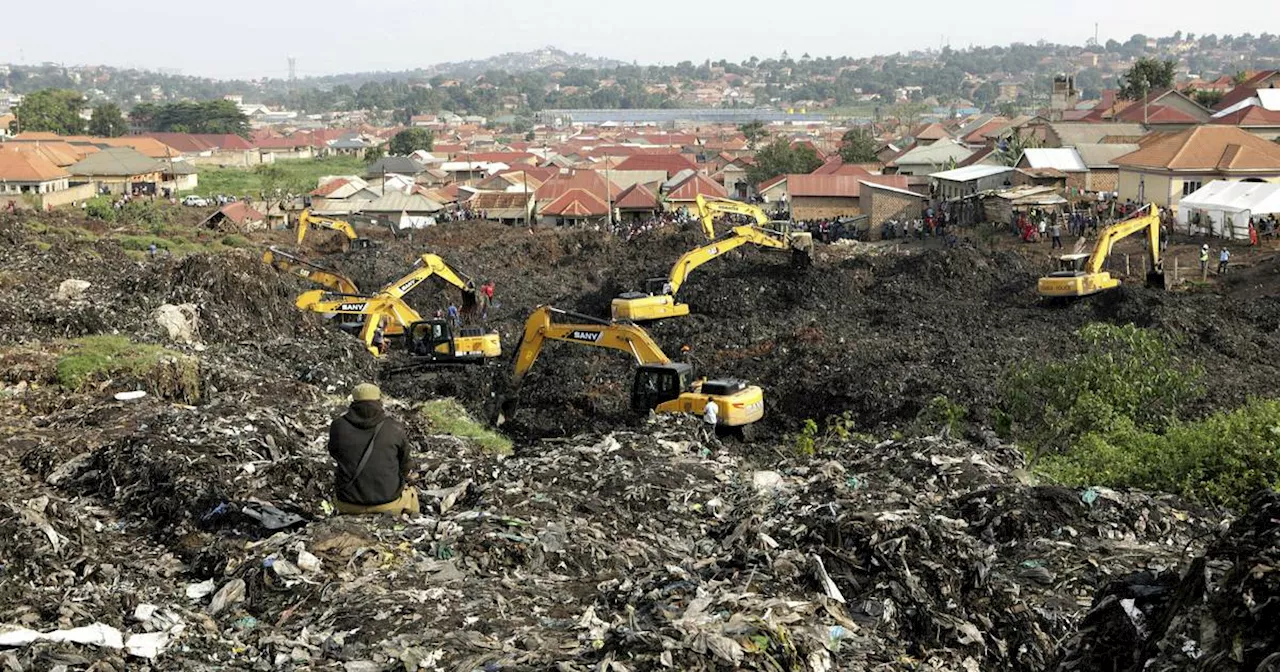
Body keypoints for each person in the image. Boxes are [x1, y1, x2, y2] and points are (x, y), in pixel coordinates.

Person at [328, 383, 419, 516]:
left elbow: (334, 453)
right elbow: (405, 464)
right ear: (379, 401)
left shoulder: (338, 426)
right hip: (388, 504)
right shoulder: (394, 427)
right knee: (412, 493)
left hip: (348, 504)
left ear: (353, 401)